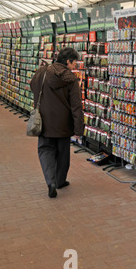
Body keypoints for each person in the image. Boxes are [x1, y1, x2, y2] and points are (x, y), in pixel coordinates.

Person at [30, 47, 84, 198]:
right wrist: (79, 129)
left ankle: (51, 181)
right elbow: (76, 106)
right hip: (63, 124)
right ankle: (60, 181)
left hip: (44, 120)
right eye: (74, 63)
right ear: (68, 61)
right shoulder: (71, 79)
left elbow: (33, 86)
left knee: (45, 150)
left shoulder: (42, 71)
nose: (75, 66)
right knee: (63, 154)